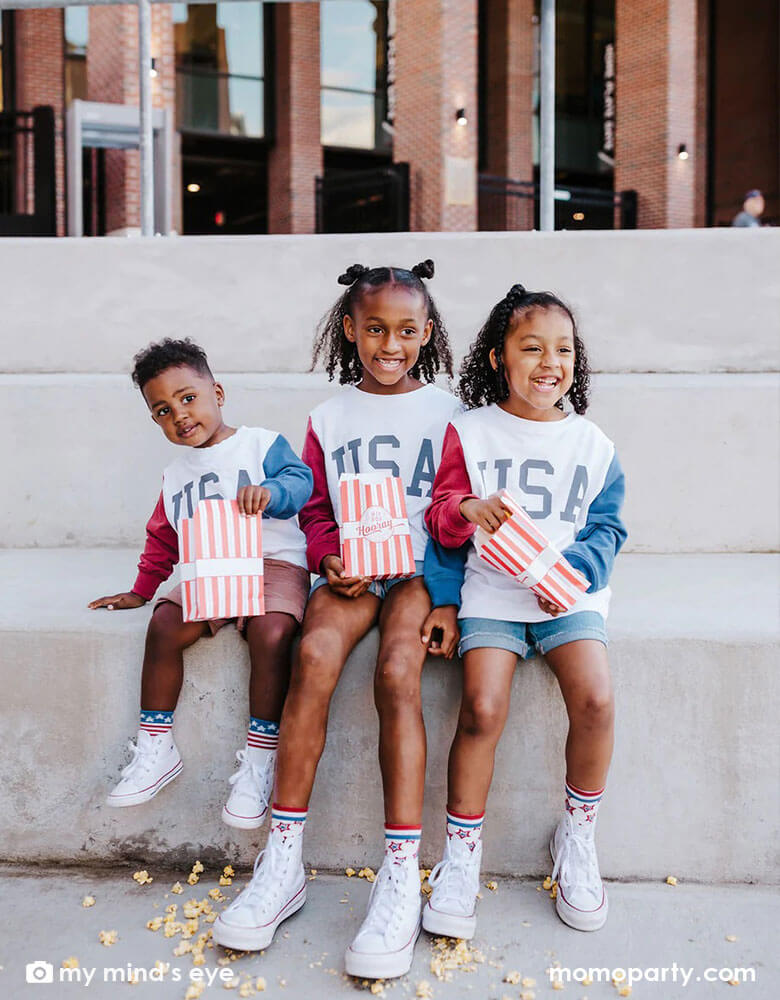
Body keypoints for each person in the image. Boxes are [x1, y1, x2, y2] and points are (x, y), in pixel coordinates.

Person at [213, 262, 464, 978]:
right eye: (375, 329)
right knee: (315, 653)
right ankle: (283, 857)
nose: (391, 344)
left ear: (428, 333)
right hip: (354, 570)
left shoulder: (448, 413)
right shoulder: (328, 418)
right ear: (350, 330)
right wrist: (328, 560)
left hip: (417, 572)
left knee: (396, 670)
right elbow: (317, 508)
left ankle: (399, 871)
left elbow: (452, 512)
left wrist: (443, 593)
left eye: (407, 330)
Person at [422, 283, 626, 937]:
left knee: (595, 697)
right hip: (493, 593)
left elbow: (608, 528)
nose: (549, 361)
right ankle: (461, 855)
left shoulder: (592, 444)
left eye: (563, 349)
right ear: (497, 359)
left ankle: (578, 836)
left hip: (567, 594)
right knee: (482, 705)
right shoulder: (470, 432)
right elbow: (438, 515)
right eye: (531, 347)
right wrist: (464, 515)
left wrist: (575, 573)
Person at [88, 338, 312, 830]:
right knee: (165, 624)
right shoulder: (175, 475)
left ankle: (259, 757)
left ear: (218, 392)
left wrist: (272, 492)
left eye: (188, 398)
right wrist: (142, 591)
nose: (180, 416)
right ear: (155, 420)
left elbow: (301, 481)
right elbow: (163, 536)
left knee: (271, 632)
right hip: (210, 571)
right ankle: (155, 747)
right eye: (164, 410)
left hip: (270, 564)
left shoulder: (259, 443)